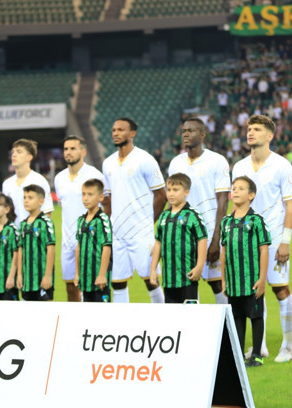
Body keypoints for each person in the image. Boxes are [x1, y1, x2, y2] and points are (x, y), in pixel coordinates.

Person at [231, 115, 292, 361]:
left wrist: (285, 241)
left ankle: (287, 347)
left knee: (280, 289)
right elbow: (236, 203)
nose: (250, 133)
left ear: (269, 136)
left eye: (257, 129)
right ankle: (261, 346)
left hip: (274, 236)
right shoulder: (239, 167)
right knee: (253, 292)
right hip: (247, 241)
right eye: (249, 129)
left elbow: (291, 206)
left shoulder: (281, 165)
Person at [101, 117, 167, 304]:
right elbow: (108, 198)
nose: (115, 133)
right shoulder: (108, 163)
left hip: (141, 233)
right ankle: (123, 325)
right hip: (118, 233)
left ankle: (165, 320)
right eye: (113, 130)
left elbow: (161, 195)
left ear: (132, 133)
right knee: (118, 283)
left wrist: (148, 222)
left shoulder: (145, 159)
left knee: (151, 280)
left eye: (121, 130)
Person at [168, 117, 231, 305]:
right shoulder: (175, 163)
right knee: (187, 284)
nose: (186, 134)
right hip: (183, 237)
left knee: (218, 285)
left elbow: (223, 200)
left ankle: (226, 333)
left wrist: (216, 239)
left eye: (191, 131)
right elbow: (173, 200)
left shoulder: (217, 161)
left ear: (202, 135)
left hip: (210, 232)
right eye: (184, 131)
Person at [220, 176, 270, 368]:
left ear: (251, 195)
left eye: (241, 188)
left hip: (252, 279)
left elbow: (264, 249)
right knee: (238, 318)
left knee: (256, 317)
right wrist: (224, 279)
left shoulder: (256, 220)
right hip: (233, 281)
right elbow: (224, 252)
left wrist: (262, 278)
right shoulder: (226, 222)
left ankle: (256, 354)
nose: (236, 191)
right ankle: (239, 355)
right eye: (234, 188)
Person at [54, 135, 104, 302]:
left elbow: (104, 208)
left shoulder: (94, 175)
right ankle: (76, 325)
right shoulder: (59, 178)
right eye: (66, 149)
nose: (68, 152)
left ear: (83, 152)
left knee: (93, 286)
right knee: (70, 287)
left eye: (73, 148)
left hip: (90, 240)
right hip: (67, 241)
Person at [149, 173, 208, 304]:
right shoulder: (164, 216)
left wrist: (199, 266)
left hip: (187, 277)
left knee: (189, 316)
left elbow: (202, 240)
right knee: (172, 318)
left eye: (175, 190)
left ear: (186, 192)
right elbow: (158, 243)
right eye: (169, 190)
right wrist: (153, 269)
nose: (171, 194)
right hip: (168, 279)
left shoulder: (192, 215)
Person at [74, 178, 113, 303]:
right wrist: (77, 273)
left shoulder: (102, 220)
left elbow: (106, 247)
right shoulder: (81, 220)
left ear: (101, 197)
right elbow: (79, 247)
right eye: (83, 194)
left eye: (90, 195)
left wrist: (102, 275)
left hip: (99, 279)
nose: (86, 198)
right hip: (85, 279)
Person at [18, 184, 56, 301]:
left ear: (41, 201)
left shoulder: (45, 222)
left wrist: (48, 276)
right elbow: (20, 249)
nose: (26, 201)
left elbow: (51, 249)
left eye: (30, 198)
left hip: (42, 278)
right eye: (25, 197)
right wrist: (19, 275)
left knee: (45, 314)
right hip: (27, 280)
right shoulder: (23, 224)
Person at [3, 139, 53, 225]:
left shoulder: (39, 181)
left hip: (31, 235)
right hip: (13, 236)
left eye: (19, 152)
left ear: (29, 157)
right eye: (13, 152)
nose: (14, 155)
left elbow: (46, 213)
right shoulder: (7, 184)